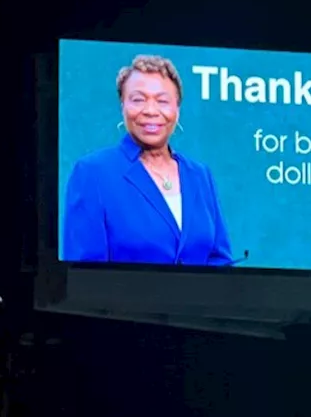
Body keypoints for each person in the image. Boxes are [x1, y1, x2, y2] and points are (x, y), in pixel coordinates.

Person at [62, 54, 234, 265]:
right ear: (122, 106)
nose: (151, 111)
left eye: (162, 101)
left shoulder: (199, 175)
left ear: (177, 110)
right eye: (138, 100)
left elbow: (220, 260)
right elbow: (84, 274)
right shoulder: (93, 172)